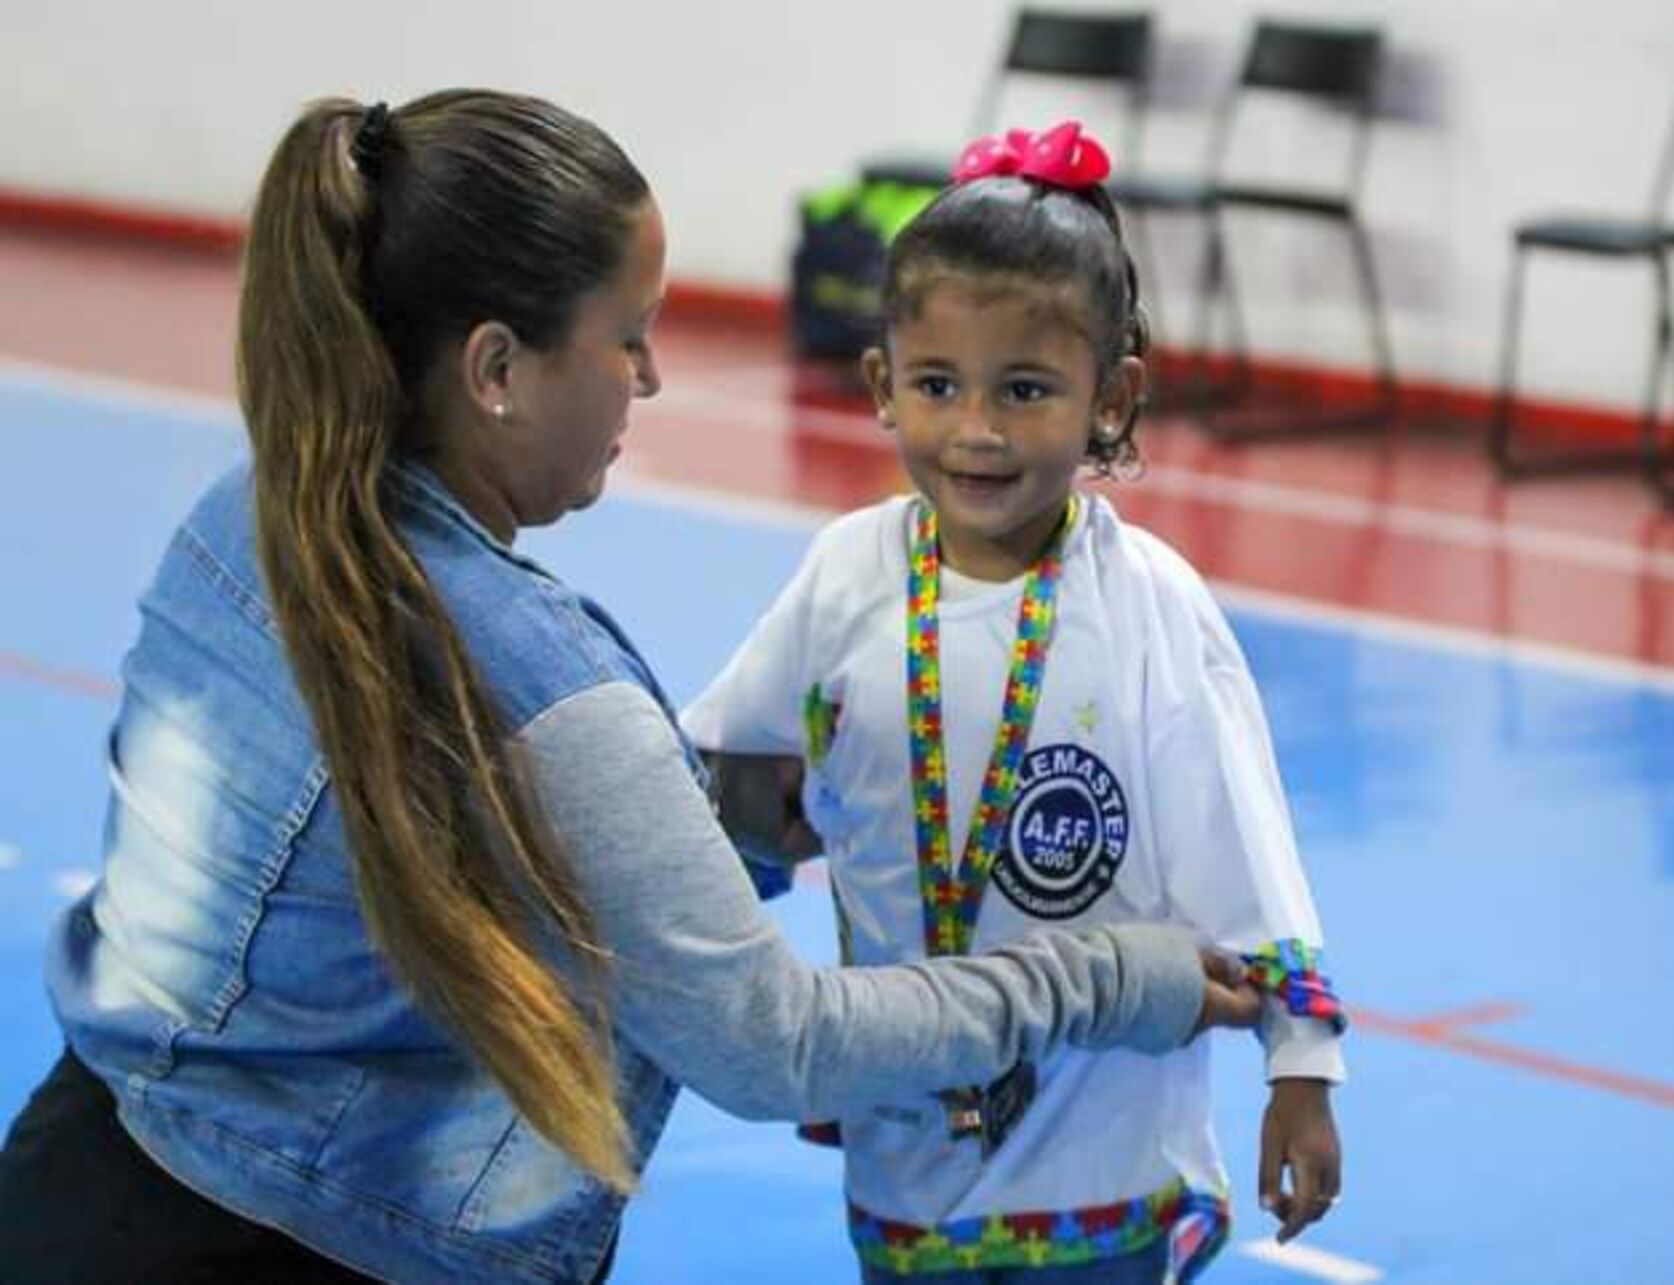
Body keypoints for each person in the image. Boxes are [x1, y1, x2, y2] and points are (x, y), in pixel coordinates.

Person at [0, 93, 1267, 1284]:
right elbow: (778, 1045)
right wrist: (1120, 977)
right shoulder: (547, 680)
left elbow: (436, 843)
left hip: (73, 1179)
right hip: (328, 1246)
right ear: (498, 367)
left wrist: (714, 832)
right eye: (628, 338)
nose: (651, 378)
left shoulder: (242, 519)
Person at [683, 122, 1349, 1284]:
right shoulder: (846, 575)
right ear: (883, 384)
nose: (977, 429)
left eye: (1026, 389)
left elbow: (1240, 838)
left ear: (1112, 395)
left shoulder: (1148, 602)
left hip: (1107, 1148)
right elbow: (726, 770)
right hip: (905, 1133)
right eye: (938, 384)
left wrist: (1302, 1068)